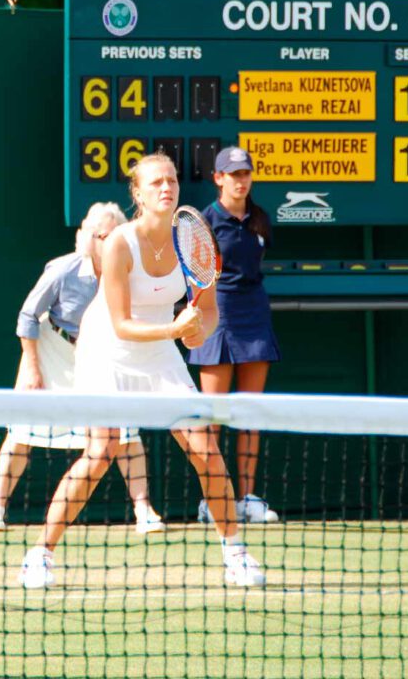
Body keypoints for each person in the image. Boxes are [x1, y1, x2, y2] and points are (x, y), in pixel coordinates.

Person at [19, 153, 266, 590]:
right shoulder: (119, 242)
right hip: (107, 348)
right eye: (155, 183)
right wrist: (175, 328)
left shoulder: (194, 239)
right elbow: (120, 322)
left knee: (206, 450)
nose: (166, 188)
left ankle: (236, 553)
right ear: (137, 193)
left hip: (159, 350)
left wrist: (196, 334)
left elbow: (207, 312)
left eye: (171, 181)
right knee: (100, 454)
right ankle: (40, 554)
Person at [0, 203, 164, 536]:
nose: (102, 240)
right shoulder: (63, 270)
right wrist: (32, 367)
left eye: (108, 235)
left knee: (126, 434)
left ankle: (144, 511)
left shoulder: (128, 271)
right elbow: (26, 317)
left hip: (99, 355)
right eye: (97, 235)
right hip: (52, 350)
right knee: (21, 434)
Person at [190, 146, 281, 525]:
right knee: (212, 417)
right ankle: (213, 500)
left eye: (246, 173)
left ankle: (245, 498)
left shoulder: (260, 219)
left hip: (254, 315)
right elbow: (197, 277)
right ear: (218, 178)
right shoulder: (204, 223)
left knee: (249, 414)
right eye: (233, 174)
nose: (241, 180)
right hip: (218, 315)